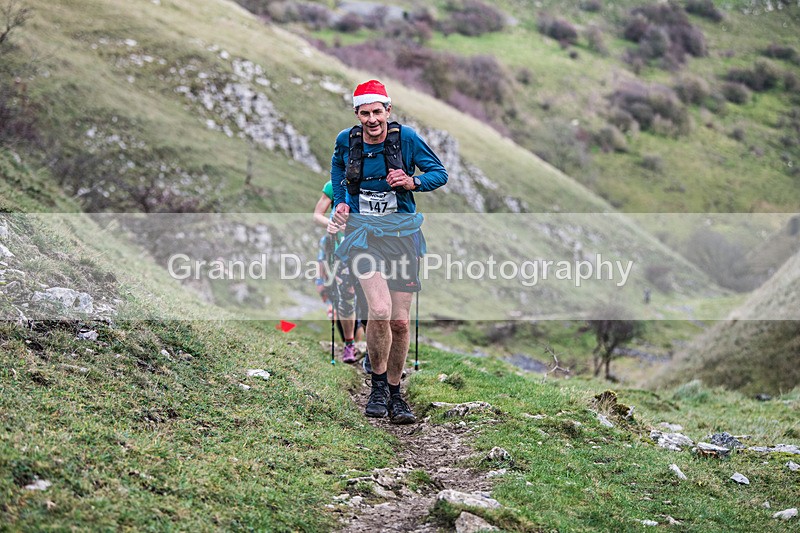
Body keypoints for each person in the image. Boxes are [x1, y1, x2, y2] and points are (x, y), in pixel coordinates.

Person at [331, 80, 447, 424]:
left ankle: (397, 394)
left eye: (377, 112)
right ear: (357, 114)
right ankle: (378, 386)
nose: (371, 119)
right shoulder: (346, 141)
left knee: (399, 320)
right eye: (364, 113)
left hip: (402, 236)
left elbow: (439, 173)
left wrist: (413, 182)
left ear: (388, 111)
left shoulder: (406, 140)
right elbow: (338, 171)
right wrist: (341, 204)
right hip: (364, 236)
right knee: (379, 310)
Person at [313, 180, 366, 364]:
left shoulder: (371, 180)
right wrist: (331, 223)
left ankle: (373, 347)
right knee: (346, 298)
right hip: (342, 251)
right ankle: (349, 345)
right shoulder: (332, 185)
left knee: (370, 301)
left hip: (368, 249)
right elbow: (317, 214)